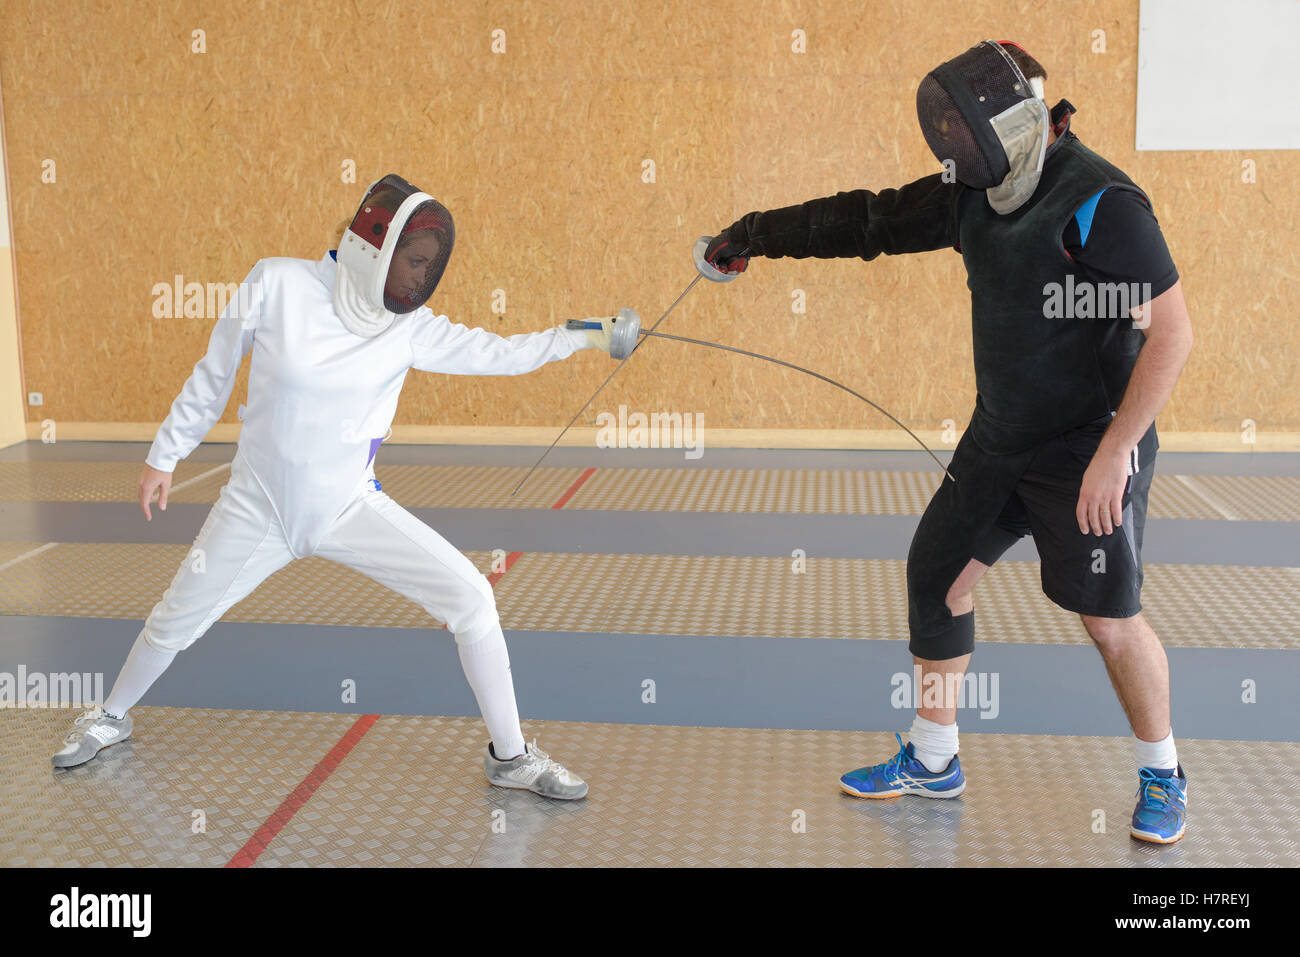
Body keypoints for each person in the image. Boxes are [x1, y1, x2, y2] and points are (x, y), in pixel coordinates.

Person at [702, 42, 1193, 843]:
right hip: (1001, 436)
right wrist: (754, 232)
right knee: (937, 576)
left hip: (1088, 445)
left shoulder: (1101, 202)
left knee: (1108, 620)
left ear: (1023, 118)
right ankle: (934, 757)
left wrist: (1115, 453)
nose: (955, 156)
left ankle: (1163, 772)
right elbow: (867, 219)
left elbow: (1172, 333)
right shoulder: (974, 190)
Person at [52, 174, 629, 800]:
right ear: (372, 246)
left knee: (472, 599)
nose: (418, 279)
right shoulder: (276, 283)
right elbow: (214, 372)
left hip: (349, 507)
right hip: (257, 506)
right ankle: (109, 715)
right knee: (174, 619)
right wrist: (165, 454)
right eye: (412, 261)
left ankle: (511, 758)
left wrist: (590, 333)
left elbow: (503, 352)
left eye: (427, 267)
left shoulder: (409, 327)